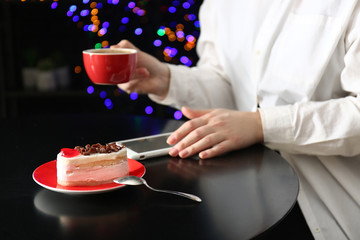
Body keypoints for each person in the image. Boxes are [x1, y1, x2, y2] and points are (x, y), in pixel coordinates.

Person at [112, 1, 360, 239]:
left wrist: (260, 125)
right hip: (241, 201)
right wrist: (167, 79)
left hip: (326, 207)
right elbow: (228, 84)